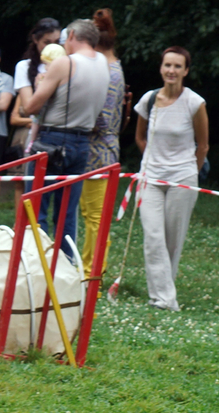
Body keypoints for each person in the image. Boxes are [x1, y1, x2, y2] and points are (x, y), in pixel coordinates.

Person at [23, 18, 108, 253]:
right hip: (82, 143)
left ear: (71, 36)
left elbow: (31, 107)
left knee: (37, 207)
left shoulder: (65, 63)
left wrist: (41, 82)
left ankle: (34, 261)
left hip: (52, 141)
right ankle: (65, 268)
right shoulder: (103, 63)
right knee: (67, 215)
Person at [131, 45, 206, 311]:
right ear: (161, 68)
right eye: (167, 65)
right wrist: (153, 161)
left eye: (177, 66)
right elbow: (140, 137)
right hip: (150, 177)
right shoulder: (148, 100)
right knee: (153, 237)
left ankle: (164, 292)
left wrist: (189, 172)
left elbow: (203, 146)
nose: (171, 71)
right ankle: (163, 300)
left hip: (183, 177)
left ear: (185, 71)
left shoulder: (194, 103)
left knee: (172, 240)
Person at [79, 9, 123, 265]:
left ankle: (91, 273)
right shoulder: (109, 68)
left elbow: (101, 119)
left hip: (100, 153)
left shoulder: (110, 73)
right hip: (95, 154)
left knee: (96, 218)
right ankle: (88, 269)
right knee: (90, 214)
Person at [10, 18, 59, 158]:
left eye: (56, 43)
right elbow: (28, 106)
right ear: (36, 40)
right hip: (38, 133)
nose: (52, 48)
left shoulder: (69, 64)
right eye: (47, 43)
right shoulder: (24, 66)